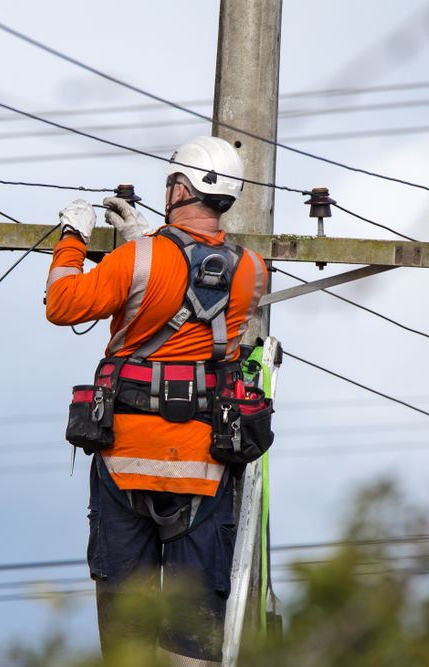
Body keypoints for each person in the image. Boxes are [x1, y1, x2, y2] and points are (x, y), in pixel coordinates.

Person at [45, 136, 269, 666]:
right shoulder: (252, 270)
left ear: (180, 187)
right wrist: (143, 243)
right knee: (193, 637)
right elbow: (212, 328)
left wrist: (73, 238)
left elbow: (62, 303)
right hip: (203, 469)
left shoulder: (137, 258)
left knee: (127, 631)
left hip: (125, 463)